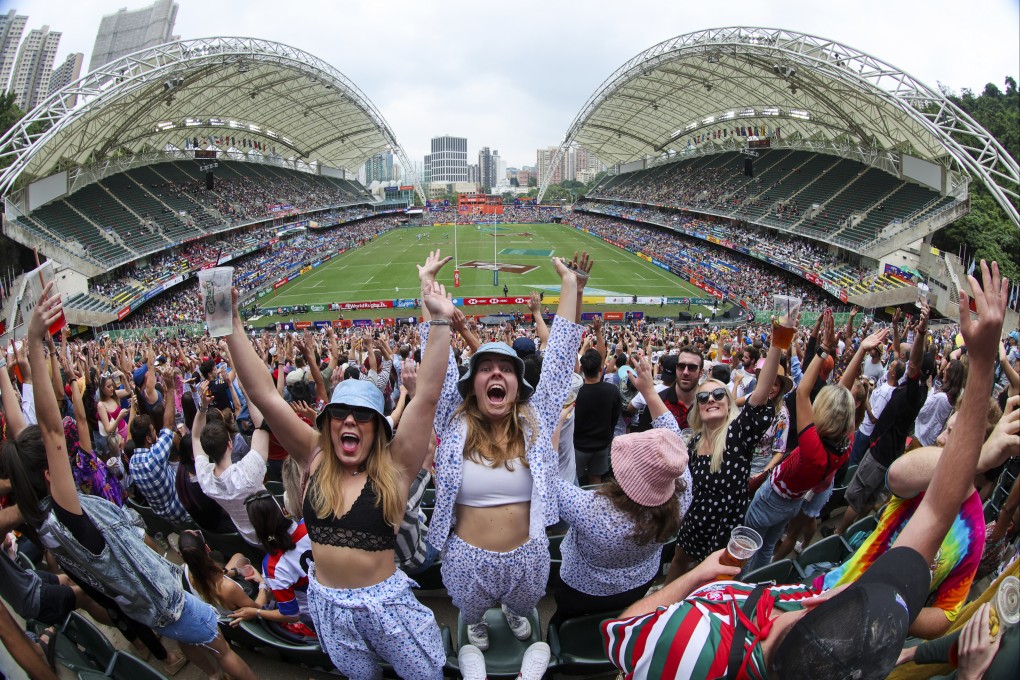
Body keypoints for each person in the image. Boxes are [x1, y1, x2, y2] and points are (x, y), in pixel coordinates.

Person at [600, 260, 1009, 680]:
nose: (844, 593)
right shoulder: (821, 603)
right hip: (720, 533)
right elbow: (939, 510)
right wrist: (982, 370)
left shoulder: (694, 647)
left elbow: (620, 631)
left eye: (716, 396)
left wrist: (699, 578)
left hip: (726, 540)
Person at [4, 282, 256, 680]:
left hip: (143, 604)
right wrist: (35, 340)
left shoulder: (39, 518)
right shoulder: (69, 514)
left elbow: (26, 440)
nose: (66, 455)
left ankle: (210, 673)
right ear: (50, 475)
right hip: (161, 594)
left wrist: (6, 372)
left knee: (192, 640)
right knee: (221, 648)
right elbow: (51, 433)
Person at [224, 251, 455, 680]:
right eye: (340, 414)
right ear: (327, 424)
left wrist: (439, 322)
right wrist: (231, 322)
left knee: (424, 675)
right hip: (327, 605)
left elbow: (426, 396)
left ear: (378, 428)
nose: (350, 420)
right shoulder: (313, 454)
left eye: (363, 415)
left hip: (387, 604)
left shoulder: (396, 466)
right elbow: (265, 397)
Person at [428, 253, 588, 664]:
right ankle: (477, 621)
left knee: (523, 606)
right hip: (466, 557)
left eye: (506, 369)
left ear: (518, 384)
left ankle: (516, 613)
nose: (496, 374)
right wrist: (430, 297)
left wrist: (571, 287)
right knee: (473, 611)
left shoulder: (536, 422)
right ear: (473, 383)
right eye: (486, 368)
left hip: (528, 555)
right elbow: (438, 369)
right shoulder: (454, 422)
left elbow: (557, 361)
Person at [551, 356, 693, 623]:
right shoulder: (681, 492)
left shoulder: (593, 509)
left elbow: (545, 478)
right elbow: (674, 443)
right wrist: (650, 391)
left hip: (582, 587)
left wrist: (557, 423)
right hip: (639, 581)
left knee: (566, 623)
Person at [742, 321, 887, 573]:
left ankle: (735, 586)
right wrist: (861, 350)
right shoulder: (845, 439)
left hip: (772, 498)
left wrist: (823, 349)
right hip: (792, 502)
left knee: (747, 545)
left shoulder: (814, 450)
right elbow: (843, 393)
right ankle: (752, 582)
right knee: (766, 548)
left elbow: (802, 393)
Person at [664, 323, 783, 582]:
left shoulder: (736, 435)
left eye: (719, 394)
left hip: (724, 527)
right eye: (703, 398)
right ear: (698, 407)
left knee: (712, 579)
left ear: (728, 403)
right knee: (679, 560)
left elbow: (761, 394)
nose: (711, 400)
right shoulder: (693, 441)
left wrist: (777, 344)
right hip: (694, 518)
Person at [228, 491, 315, 636]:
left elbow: (291, 615)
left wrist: (256, 612)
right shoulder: (311, 525)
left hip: (317, 616)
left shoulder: (272, 566)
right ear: (282, 510)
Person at [193, 386, 270, 545]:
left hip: (249, 537)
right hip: (274, 528)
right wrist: (248, 395)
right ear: (230, 444)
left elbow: (195, 436)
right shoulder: (248, 471)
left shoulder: (205, 480)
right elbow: (261, 426)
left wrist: (202, 407)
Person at [127, 372, 193, 527]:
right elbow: (168, 427)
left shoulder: (132, 463)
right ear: (149, 439)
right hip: (182, 511)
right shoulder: (154, 458)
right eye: (153, 431)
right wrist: (170, 389)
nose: (156, 433)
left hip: (164, 517)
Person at [178, 529, 270, 618]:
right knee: (269, 578)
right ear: (207, 548)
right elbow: (257, 609)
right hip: (241, 602)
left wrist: (237, 571)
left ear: (181, 555)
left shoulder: (187, 568)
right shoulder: (228, 587)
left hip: (218, 601)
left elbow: (217, 574)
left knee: (238, 556)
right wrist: (262, 583)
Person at [572, 348, 622, 485]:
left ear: (582, 368)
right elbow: (615, 418)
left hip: (579, 446)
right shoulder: (612, 391)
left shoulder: (575, 394)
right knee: (596, 480)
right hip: (601, 445)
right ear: (601, 368)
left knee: (574, 480)